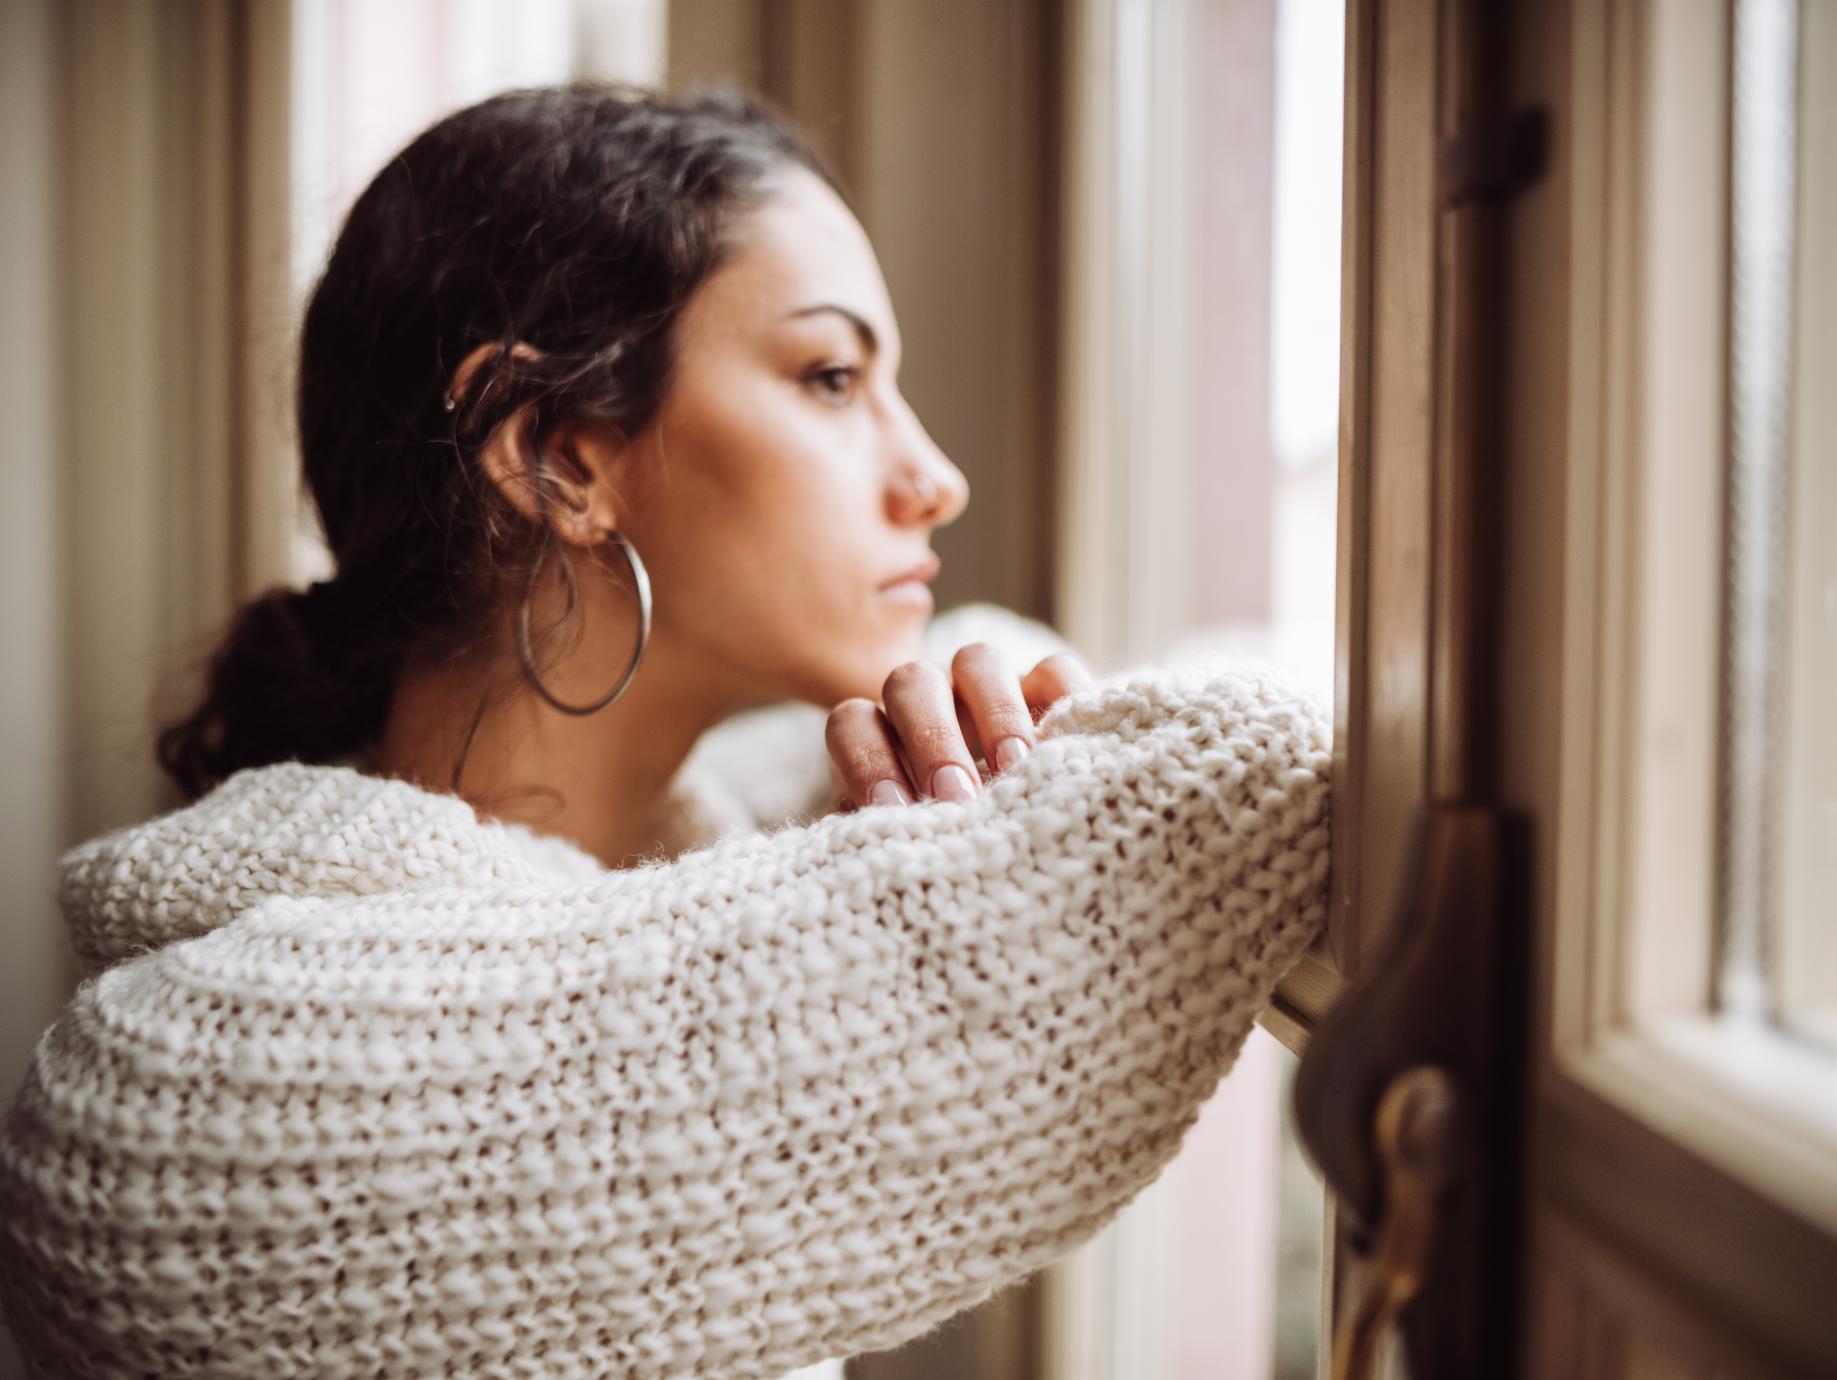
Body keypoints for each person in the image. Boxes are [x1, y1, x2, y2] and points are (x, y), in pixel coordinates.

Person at [0, 86, 1333, 1378]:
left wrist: (1002, 702)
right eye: (829, 376)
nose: (935, 476)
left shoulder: (683, 860)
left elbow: (977, 676)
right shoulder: (190, 1098)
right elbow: (1231, 788)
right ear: (559, 458)